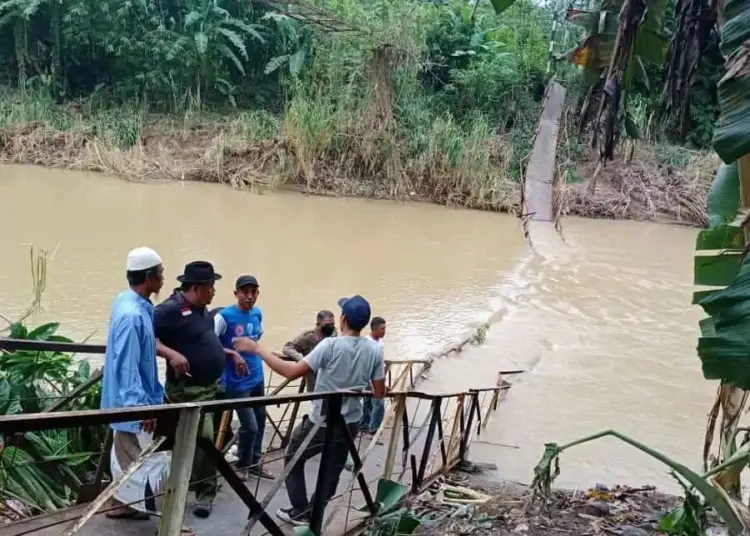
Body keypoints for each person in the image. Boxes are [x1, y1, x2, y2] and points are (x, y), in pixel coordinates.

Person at [234, 295, 385, 526]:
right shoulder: (374, 349)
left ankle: (300, 510)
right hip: (350, 423)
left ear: (343, 319)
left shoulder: (330, 345)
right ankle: (314, 514)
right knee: (332, 470)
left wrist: (257, 349)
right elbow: (378, 392)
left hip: (321, 421)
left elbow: (291, 371)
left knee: (293, 456)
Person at [154, 261, 247, 519]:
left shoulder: (202, 311)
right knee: (203, 441)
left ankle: (194, 484)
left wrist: (229, 354)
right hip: (188, 392)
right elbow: (143, 337)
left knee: (204, 440)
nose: (214, 291)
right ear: (196, 288)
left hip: (211, 389)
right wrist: (171, 353)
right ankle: (202, 494)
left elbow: (205, 341)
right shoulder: (169, 310)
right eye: (210, 287)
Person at [100, 247, 171, 522]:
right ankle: (170, 522)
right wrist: (141, 408)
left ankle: (123, 505)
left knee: (124, 456)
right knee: (156, 460)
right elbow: (128, 366)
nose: (163, 278)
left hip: (122, 401)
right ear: (150, 277)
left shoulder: (126, 301)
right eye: (161, 273)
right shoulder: (132, 316)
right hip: (133, 405)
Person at [214, 275, 274, 480]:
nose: (249, 297)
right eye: (244, 292)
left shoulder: (257, 314)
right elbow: (209, 346)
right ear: (236, 293)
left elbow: (257, 340)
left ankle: (255, 462)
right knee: (249, 426)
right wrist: (232, 353)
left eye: (253, 292)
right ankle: (242, 465)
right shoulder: (224, 317)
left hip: (256, 377)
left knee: (260, 420)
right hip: (235, 382)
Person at [280, 310, 337, 392]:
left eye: (332, 324)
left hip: (332, 384)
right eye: (327, 324)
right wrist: (302, 360)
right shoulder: (309, 337)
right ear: (319, 322)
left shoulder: (334, 335)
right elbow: (287, 348)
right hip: (315, 386)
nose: (331, 327)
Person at [360, 317, 387, 435]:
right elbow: (365, 363)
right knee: (379, 403)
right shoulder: (366, 343)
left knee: (368, 402)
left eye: (385, 328)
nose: (384, 331)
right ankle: (374, 429)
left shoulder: (380, 342)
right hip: (369, 377)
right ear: (375, 329)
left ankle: (364, 425)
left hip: (378, 375)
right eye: (382, 328)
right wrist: (372, 382)